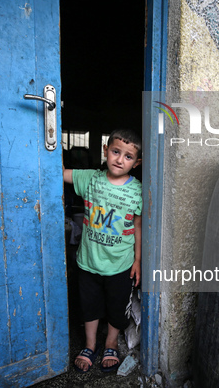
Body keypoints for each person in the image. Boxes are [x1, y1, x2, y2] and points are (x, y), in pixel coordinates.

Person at [63, 128, 142, 373]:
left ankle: (110, 344)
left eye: (128, 156)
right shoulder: (90, 179)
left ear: (136, 163)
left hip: (121, 263)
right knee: (89, 306)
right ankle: (90, 345)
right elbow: (56, 172)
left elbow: (138, 226)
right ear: (105, 151)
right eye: (116, 152)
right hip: (88, 261)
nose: (120, 159)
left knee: (117, 307)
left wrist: (138, 260)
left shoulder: (137, 190)